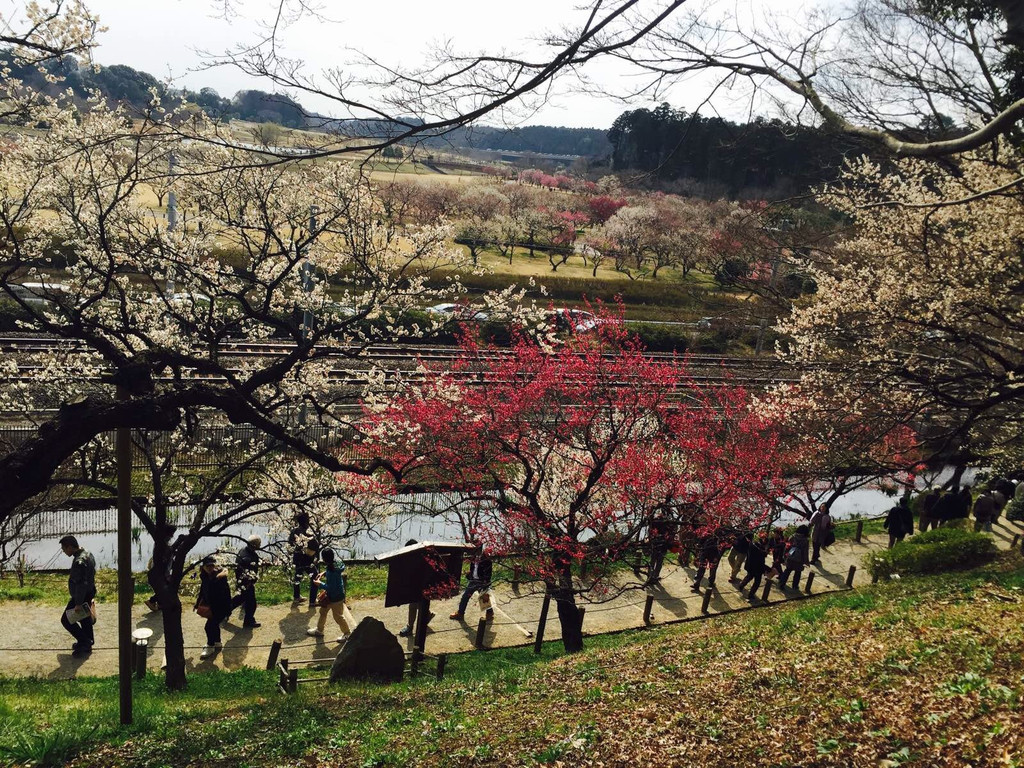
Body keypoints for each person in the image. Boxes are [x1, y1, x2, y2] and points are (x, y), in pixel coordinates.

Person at [59, 535, 96, 657]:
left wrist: (78, 603)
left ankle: (84, 642)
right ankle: (88, 641)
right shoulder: (88, 554)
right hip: (89, 592)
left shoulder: (78, 562)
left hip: (80, 596)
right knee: (84, 618)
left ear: (70, 547)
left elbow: (80, 584)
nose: (64, 552)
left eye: (64, 549)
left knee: (66, 620)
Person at [306, 548, 354, 642]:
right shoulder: (335, 564)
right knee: (323, 612)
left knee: (338, 617)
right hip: (332, 595)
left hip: (336, 597)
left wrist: (320, 584)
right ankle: (319, 630)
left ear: (324, 559)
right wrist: (323, 573)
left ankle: (347, 633)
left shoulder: (332, 571)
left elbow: (330, 587)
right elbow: (330, 571)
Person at [196, 555, 232, 659]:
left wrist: (228, 610)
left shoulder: (219, 577)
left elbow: (226, 594)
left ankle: (210, 646)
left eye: (212, 565)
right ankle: (217, 643)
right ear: (203, 567)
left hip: (220, 607)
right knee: (214, 625)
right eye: (207, 566)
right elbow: (202, 591)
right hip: (212, 606)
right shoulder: (205, 576)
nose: (210, 568)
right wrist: (197, 603)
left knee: (208, 627)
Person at [398, 539, 434, 638]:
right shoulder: (419, 557)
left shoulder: (420, 559)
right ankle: (428, 615)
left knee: (413, 604)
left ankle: (410, 627)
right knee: (417, 603)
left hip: (421, 586)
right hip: (421, 586)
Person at [451, 547, 494, 621]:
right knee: (465, 597)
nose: (474, 550)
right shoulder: (474, 557)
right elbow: (473, 569)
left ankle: (490, 613)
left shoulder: (486, 559)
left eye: (477, 548)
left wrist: (485, 581)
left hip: (481, 582)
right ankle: (460, 613)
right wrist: (469, 574)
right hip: (473, 581)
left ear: (480, 548)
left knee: (484, 598)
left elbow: (488, 572)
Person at [288, 512, 320, 605]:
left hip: (297, 558)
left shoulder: (294, 531)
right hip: (307, 559)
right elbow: (315, 546)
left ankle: (296, 597)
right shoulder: (308, 532)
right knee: (315, 577)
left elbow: (290, 544)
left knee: (298, 575)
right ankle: (313, 601)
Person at [231, 535, 262, 628]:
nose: (260, 545)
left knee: (239, 599)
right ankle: (248, 621)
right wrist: (249, 582)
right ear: (255, 545)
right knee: (251, 603)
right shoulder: (248, 557)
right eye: (259, 543)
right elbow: (246, 570)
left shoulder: (243, 550)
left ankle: (224, 612)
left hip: (242, 582)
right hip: (246, 582)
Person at [777, 525, 810, 589]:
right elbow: (805, 552)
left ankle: (782, 584)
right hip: (799, 559)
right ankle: (795, 586)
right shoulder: (805, 540)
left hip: (791, 556)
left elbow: (787, 547)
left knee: (787, 571)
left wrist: (785, 556)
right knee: (798, 572)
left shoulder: (792, 537)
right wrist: (806, 561)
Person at [738, 531, 768, 600]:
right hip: (757, 567)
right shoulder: (758, 548)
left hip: (751, 565)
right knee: (757, 582)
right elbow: (761, 558)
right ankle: (751, 595)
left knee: (749, 577)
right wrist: (767, 569)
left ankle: (741, 586)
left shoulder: (753, 544)